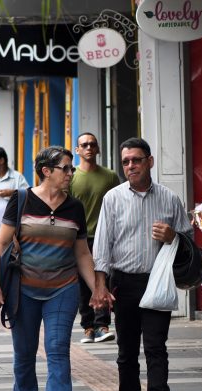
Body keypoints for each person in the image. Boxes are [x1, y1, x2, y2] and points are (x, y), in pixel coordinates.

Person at [0, 146, 113, 391]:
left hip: (62, 289)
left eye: (71, 168)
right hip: (24, 289)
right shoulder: (21, 200)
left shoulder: (74, 207)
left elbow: (82, 253)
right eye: (66, 168)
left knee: (57, 350)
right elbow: (1, 244)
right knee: (25, 353)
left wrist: (97, 290)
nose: (71, 173)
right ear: (47, 171)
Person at [92, 137, 192, 391]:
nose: (131, 166)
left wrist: (173, 236)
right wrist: (101, 286)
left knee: (156, 346)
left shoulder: (170, 199)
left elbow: (188, 244)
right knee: (126, 350)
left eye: (136, 160)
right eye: (125, 162)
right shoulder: (112, 198)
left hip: (157, 282)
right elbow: (102, 246)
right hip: (124, 282)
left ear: (150, 161)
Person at [69, 132, 120, 344]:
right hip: (79, 239)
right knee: (82, 284)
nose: (89, 148)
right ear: (77, 150)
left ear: (98, 149)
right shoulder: (71, 177)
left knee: (103, 280)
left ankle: (102, 325)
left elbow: (119, 205)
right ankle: (88, 327)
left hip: (104, 238)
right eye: (84, 145)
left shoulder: (110, 176)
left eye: (92, 144)